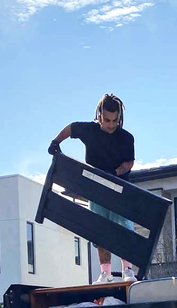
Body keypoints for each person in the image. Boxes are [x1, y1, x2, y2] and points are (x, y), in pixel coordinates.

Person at [49, 93, 136, 284]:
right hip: (96, 189)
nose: (110, 124)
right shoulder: (90, 130)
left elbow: (130, 162)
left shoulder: (126, 137)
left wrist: (116, 172)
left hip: (119, 188)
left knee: (122, 227)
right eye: (106, 120)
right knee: (99, 229)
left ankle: (127, 269)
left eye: (114, 120)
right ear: (99, 116)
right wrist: (56, 141)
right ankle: (105, 273)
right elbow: (71, 128)